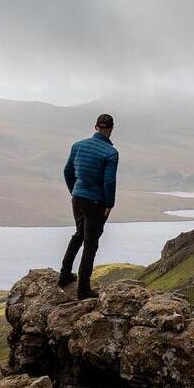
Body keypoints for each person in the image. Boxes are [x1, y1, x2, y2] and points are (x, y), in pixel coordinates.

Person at [59, 114, 119, 299]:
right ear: (110, 129)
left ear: (95, 127)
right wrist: (109, 204)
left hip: (78, 198)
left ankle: (64, 276)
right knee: (90, 243)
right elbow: (108, 181)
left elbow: (67, 171)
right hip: (95, 201)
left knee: (79, 234)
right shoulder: (110, 153)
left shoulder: (78, 146)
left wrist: (74, 191)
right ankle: (83, 289)